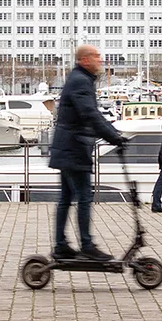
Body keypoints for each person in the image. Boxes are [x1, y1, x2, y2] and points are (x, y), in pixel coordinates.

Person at [47, 45, 126, 261]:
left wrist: (113, 133)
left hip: (68, 146)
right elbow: (89, 114)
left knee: (66, 197)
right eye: (96, 56)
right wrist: (114, 138)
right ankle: (87, 246)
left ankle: (61, 245)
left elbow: (93, 114)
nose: (100, 60)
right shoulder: (81, 81)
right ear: (84, 60)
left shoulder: (80, 79)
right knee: (84, 196)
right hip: (74, 148)